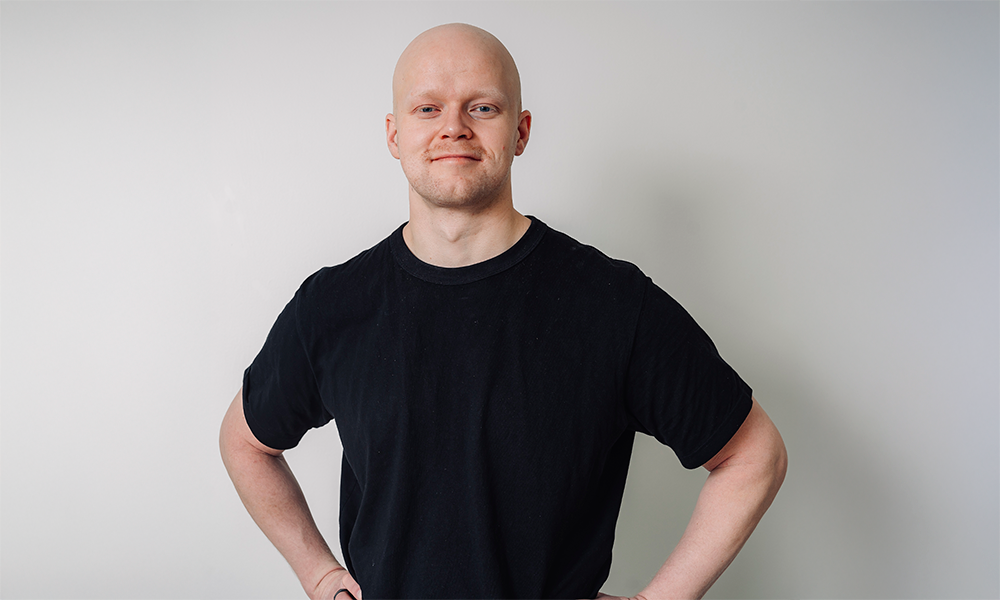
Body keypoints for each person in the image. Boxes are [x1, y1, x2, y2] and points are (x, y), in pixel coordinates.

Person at [220, 23, 787, 600]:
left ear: (521, 131)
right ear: (394, 135)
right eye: (427, 108)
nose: (453, 127)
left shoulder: (612, 305)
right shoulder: (333, 306)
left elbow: (752, 453)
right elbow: (245, 442)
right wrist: (318, 575)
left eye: (482, 107)